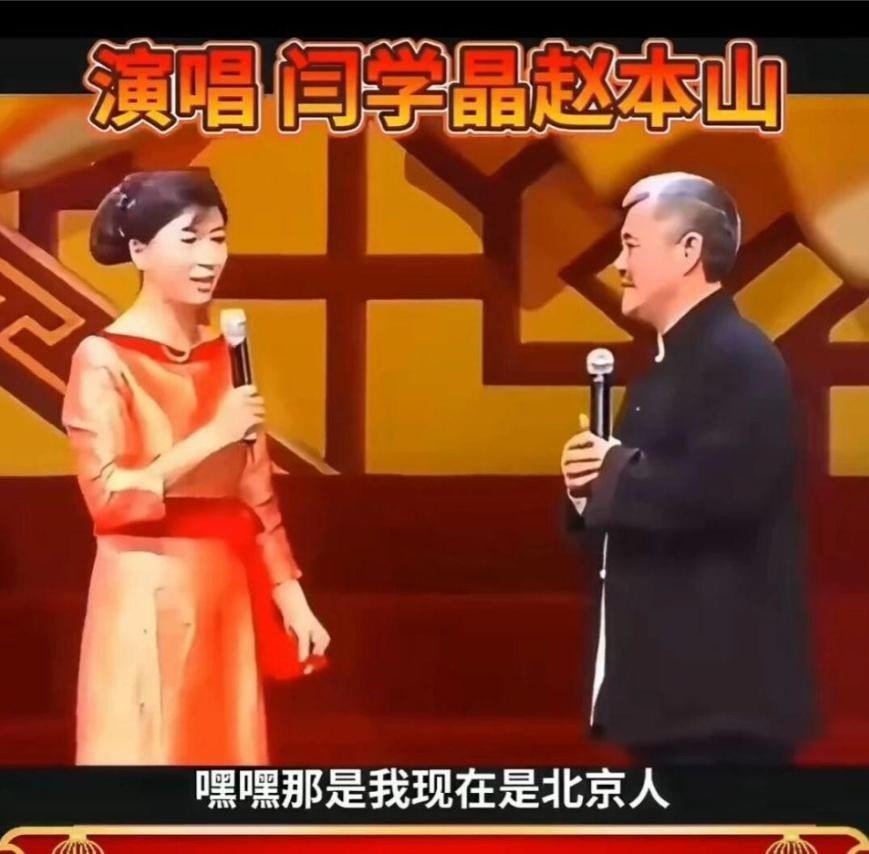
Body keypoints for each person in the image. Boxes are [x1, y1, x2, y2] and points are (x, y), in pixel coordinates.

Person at [61, 168, 331, 765]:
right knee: (149, 752)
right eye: (190, 239)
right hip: (145, 588)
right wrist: (212, 437)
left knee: (225, 759)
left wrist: (288, 593)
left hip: (224, 589)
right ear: (139, 251)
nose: (210, 257)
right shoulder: (102, 358)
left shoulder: (226, 353)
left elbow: (256, 488)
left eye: (218, 238)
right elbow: (108, 497)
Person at [560, 172, 818, 765]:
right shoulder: (667, 367)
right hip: (672, 697)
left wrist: (615, 472)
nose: (619, 264)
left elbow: (726, 491)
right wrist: (586, 487)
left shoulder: (741, 357)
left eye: (631, 245)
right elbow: (644, 495)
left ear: (688, 251)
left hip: (723, 703)